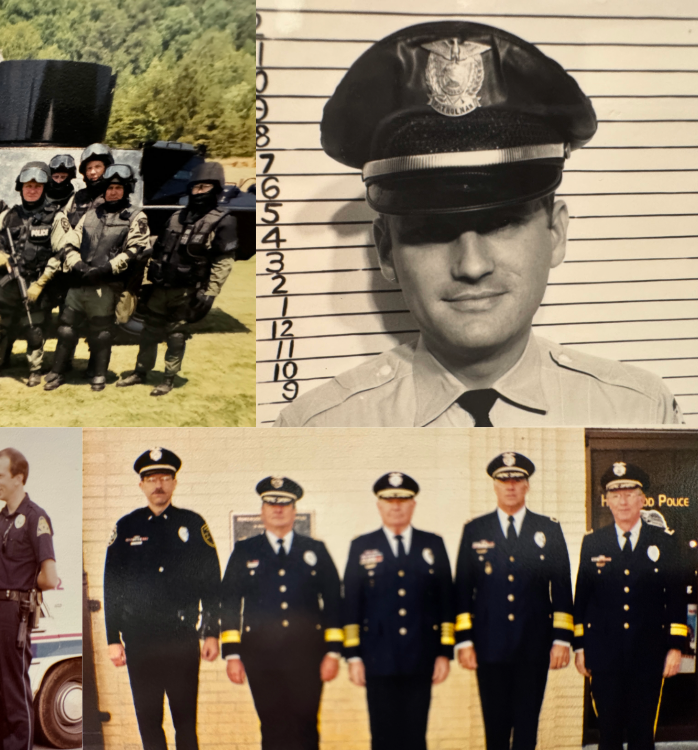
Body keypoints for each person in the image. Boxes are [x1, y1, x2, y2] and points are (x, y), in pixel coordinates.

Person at [275, 21, 681, 427]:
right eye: (432, 229)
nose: (471, 266)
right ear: (386, 251)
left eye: (502, 222)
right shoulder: (315, 432)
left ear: (556, 233)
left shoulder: (640, 416)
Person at [453, 452, 573, 750]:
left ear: (527, 486)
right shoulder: (475, 529)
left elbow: (561, 589)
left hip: (534, 645)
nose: (510, 486)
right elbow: (462, 590)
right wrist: (464, 641)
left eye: (517, 479)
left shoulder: (548, 529)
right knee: (494, 729)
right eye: (503, 480)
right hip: (488, 645)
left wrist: (561, 640)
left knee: (526, 728)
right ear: (494, 485)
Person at [104, 448, 220, 750]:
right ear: (141, 484)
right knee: (149, 720)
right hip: (140, 640)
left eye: (165, 477)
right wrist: (112, 638)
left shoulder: (193, 525)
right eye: (151, 478)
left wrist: (211, 632)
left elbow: (211, 583)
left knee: (185, 721)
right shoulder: (127, 527)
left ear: (175, 482)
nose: (159, 484)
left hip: (181, 637)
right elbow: (112, 585)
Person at [220, 476, 342, 750]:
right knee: (272, 725)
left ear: (294, 511)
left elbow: (334, 601)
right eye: (271, 504)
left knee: (307, 724)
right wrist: (233, 655)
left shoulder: (315, 550)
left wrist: (333, 652)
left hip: (308, 656)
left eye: (285, 504)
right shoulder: (244, 551)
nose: (278, 509)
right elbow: (228, 602)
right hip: (260, 657)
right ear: (262, 510)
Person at [572, 462, 688, 750]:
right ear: (607, 500)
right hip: (603, 655)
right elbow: (582, 598)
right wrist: (580, 647)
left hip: (648, 654)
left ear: (643, 499)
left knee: (642, 733)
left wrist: (675, 647)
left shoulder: (665, 544)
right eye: (615, 494)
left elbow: (676, 597)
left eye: (629, 492)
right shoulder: (592, 543)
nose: (622, 500)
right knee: (608, 733)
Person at [343, 472, 454, 750]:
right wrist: (354, 657)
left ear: (413, 504)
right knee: (381, 736)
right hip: (376, 658)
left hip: (422, 655)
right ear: (378, 505)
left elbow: (446, 602)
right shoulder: (361, 546)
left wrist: (444, 652)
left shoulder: (433, 544)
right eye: (389, 500)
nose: (396, 506)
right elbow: (351, 605)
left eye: (403, 500)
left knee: (416, 735)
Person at [118, 161, 239, 396]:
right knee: (148, 333)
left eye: (205, 187)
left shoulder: (223, 221)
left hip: (186, 291)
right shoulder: (176, 217)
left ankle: (168, 378)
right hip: (159, 287)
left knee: (175, 337)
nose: (199, 192)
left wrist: (210, 293)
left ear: (216, 189)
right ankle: (140, 372)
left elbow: (223, 262)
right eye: (196, 187)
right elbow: (159, 246)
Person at [0, 448, 58, 750]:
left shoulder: (36, 518)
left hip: (12, 613)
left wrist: (19, 586)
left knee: (13, 690)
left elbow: (49, 577)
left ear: (18, 478)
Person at [46, 164, 151, 391]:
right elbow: (70, 242)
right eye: (110, 188)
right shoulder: (91, 214)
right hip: (80, 280)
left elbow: (136, 249)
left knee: (101, 333)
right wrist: (79, 266)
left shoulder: (136, 216)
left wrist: (106, 269)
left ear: (127, 189)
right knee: (65, 328)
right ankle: (58, 371)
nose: (113, 192)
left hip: (106, 284)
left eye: (118, 188)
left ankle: (98, 374)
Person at [0, 161, 63, 385]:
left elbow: (61, 253)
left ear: (44, 188)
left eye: (37, 186)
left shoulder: (55, 216)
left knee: (34, 329)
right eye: (28, 186)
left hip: (36, 285)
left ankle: (35, 370)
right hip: (7, 285)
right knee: (0, 327)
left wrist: (41, 282)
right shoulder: (9, 215)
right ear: (20, 188)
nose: (32, 190)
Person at [50, 143, 112, 252]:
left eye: (97, 167)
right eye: (89, 168)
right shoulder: (77, 198)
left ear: (106, 168)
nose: (93, 172)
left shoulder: (115, 196)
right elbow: (61, 223)